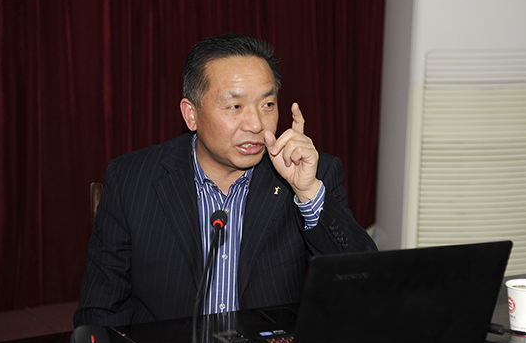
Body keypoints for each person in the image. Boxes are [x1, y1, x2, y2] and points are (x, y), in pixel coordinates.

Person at [73, 34, 377, 327]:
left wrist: (307, 192)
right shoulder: (132, 179)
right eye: (235, 106)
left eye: (267, 105)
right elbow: (99, 312)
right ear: (191, 114)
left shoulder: (310, 173)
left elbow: (366, 286)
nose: (256, 124)